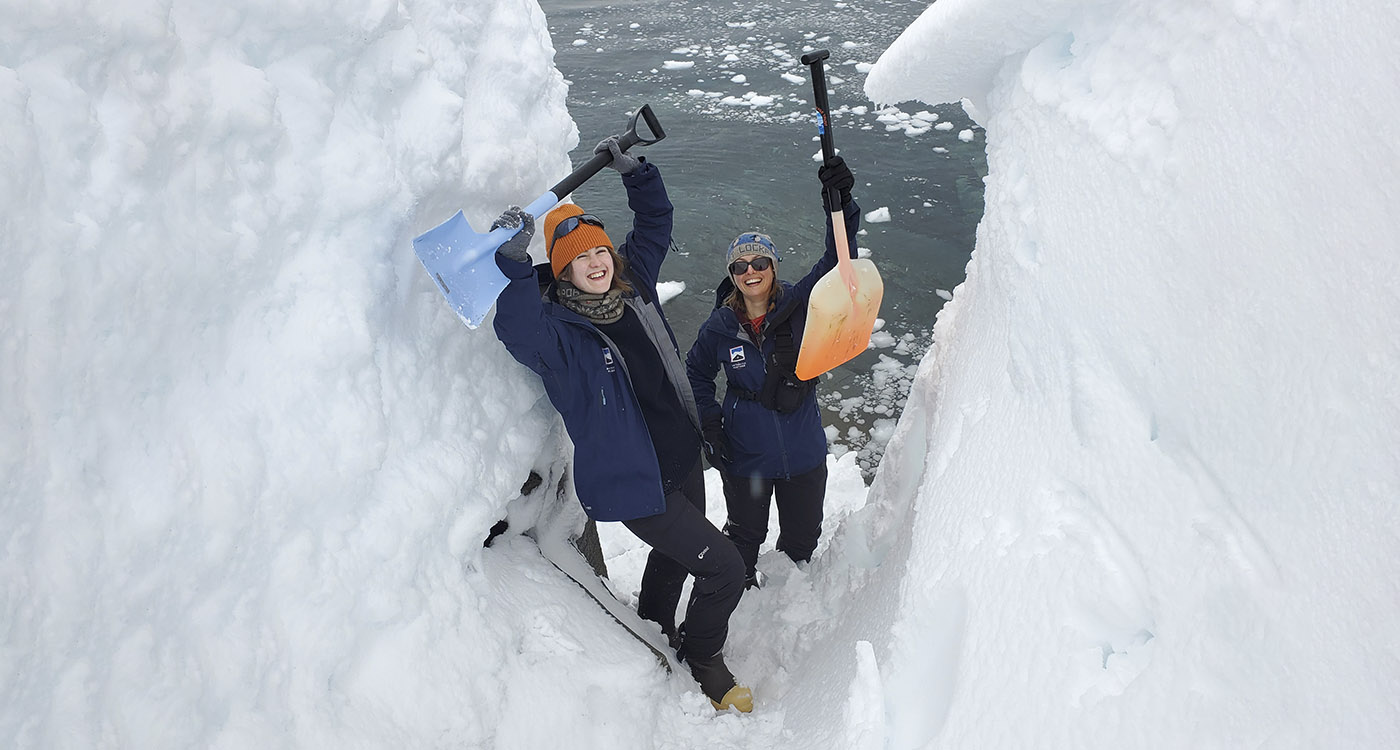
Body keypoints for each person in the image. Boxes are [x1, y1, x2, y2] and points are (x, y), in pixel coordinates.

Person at [490, 136, 752, 713]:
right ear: (562, 271)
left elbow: (655, 223)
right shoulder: (560, 336)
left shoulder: (635, 292)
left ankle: (655, 626)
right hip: (636, 485)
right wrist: (510, 265)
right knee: (725, 569)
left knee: (675, 559)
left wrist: (639, 174)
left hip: (682, 458)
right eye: (581, 258)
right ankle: (704, 656)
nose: (597, 262)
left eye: (600, 250)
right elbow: (517, 331)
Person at [685, 156, 861, 589]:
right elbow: (697, 373)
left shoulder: (802, 303)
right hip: (747, 458)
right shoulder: (720, 327)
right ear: (732, 275)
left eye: (759, 262)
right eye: (741, 266)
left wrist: (840, 204)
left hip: (802, 452)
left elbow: (840, 262)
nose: (751, 271)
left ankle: (790, 597)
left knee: (802, 540)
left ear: (774, 267)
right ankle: (739, 596)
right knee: (744, 538)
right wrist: (710, 424)